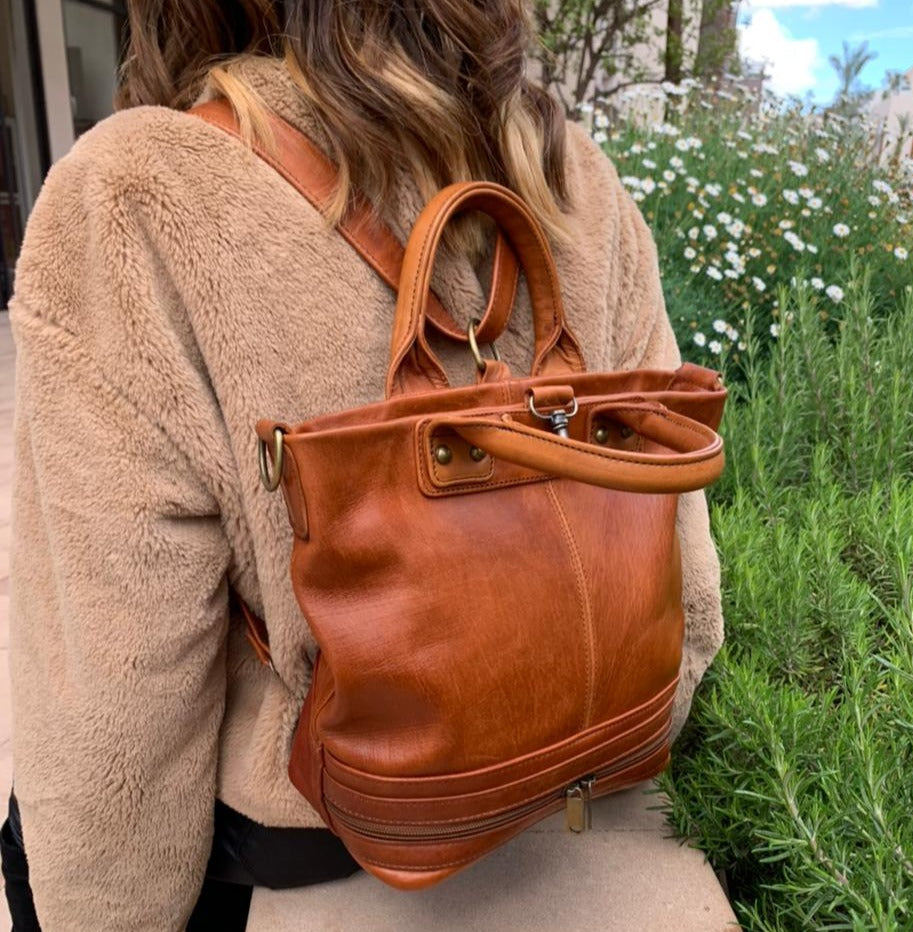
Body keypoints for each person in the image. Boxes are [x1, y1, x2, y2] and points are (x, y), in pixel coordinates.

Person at [1, 1, 724, 929]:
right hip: (591, 755)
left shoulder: (137, 192)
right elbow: (688, 599)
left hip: (313, 830)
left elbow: (116, 727)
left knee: (31, 835)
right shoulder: (573, 172)